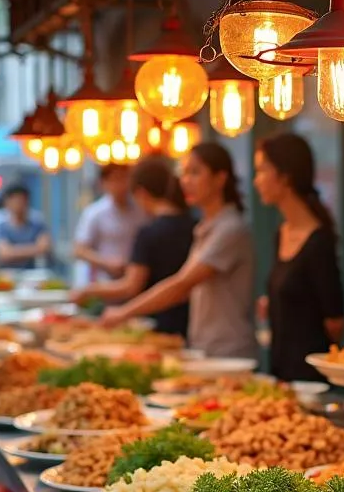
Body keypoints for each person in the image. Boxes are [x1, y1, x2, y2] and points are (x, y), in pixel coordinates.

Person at [101, 142, 256, 359]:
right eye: (184, 173)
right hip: (204, 347)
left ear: (220, 178)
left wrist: (122, 313)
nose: (186, 181)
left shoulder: (230, 228)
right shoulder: (204, 226)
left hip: (228, 351)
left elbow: (182, 284)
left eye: (195, 172)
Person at [253, 133, 344, 381]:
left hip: (310, 380)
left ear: (285, 176)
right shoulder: (280, 233)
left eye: (262, 171)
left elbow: (335, 321)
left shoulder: (319, 241)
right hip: (280, 371)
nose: (256, 181)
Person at [72, 156, 195, 336]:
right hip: (190, 320)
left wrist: (89, 291)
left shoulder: (148, 231)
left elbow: (131, 286)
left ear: (141, 193)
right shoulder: (195, 225)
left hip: (157, 320)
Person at [72, 163, 146, 285]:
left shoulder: (141, 210)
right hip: (104, 282)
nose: (122, 184)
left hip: (136, 280)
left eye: (125, 178)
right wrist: (106, 263)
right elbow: (79, 250)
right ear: (104, 183)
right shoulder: (95, 212)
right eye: (116, 179)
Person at [0, 183, 50, 270]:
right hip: (7, 276)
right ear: (7, 202)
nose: (18, 204)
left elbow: (44, 248)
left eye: (21, 200)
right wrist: (34, 248)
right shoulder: (1, 228)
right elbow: (4, 254)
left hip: (33, 275)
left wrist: (13, 250)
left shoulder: (38, 225)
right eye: (15, 200)